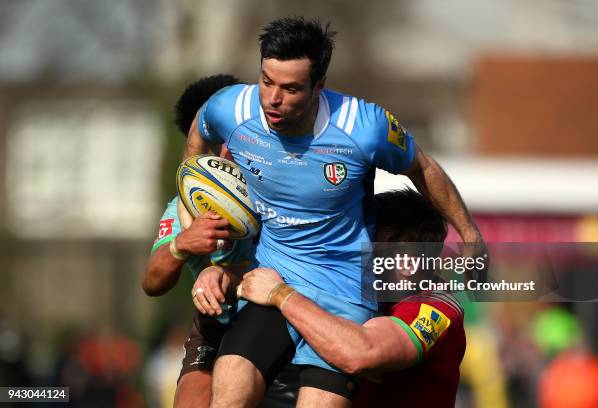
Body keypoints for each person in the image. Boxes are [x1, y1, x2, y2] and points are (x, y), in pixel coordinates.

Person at [182, 16, 483, 406]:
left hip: (344, 295)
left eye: (290, 88)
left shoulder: (363, 126)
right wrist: (206, 248)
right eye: (267, 81)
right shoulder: (229, 108)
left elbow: (423, 167)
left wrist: (470, 232)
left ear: (318, 87)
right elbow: (196, 142)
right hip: (274, 273)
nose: (273, 99)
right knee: (229, 393)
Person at [142, 74, 298, 408]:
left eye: (237, 134)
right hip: (218, 323)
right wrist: (181, 244)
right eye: (218, 139)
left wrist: (227, 274)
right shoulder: (186, 205)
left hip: (283, 315)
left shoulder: (282, 192)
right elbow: (152, 281)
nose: (230, 148)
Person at [237, 188, 466, 407]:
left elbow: (360, 354)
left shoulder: (435, 308)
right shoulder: (362, 291)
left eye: (365, 241)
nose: (350, 251)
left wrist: (280, 295)